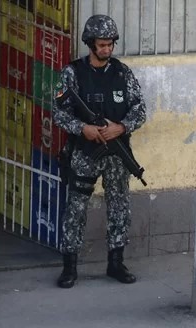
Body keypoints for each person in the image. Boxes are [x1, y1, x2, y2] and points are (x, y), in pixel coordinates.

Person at [53, 14, 147, 288]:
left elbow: (140, 109)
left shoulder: (122, 73)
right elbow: (58, 112)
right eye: (101, 45)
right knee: (76, 208)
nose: (106, 49)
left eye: (110, 44)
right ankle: (69, 267)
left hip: (117, 155)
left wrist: (121, 127)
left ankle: (115, 263)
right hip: (84, 153)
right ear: (90, 44)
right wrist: (84, 128)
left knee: (119, 207)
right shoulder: (73, 73)